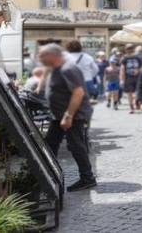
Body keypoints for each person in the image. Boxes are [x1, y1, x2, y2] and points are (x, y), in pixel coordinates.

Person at [38, 43, 96, 191]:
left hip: (73, 116)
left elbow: (78, 93)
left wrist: (68, 115)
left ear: (53, 55)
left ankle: (87, 178)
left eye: (42, 55)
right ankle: (49, 175)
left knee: (76, 146)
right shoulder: (56, 69)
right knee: (50, 145)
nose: (40, 58)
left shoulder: (68, 69)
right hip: (59, 116)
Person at [120, 46, 142, 113]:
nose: (129, 50)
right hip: (129, 77)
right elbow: (122, 69)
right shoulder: (125, 58)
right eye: (128, 49)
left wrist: (138, 70)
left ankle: (135, 105)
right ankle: (133, 106)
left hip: (136, 77)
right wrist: (122, 79)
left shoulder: (136, 58)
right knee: (131, 93)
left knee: (134, 93)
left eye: (130, 49)